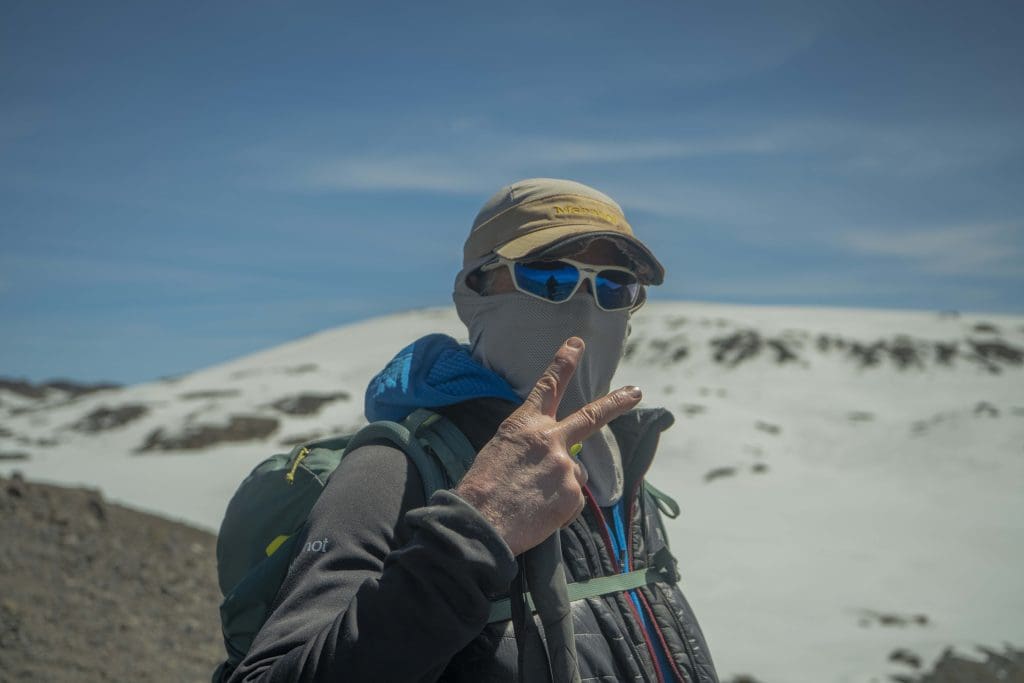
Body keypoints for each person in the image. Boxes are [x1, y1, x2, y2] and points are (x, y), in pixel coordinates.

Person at [227, 178, 718, 682]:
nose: (586, 306)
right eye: (547, 277)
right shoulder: (394, 470)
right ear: (472, 293)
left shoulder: (622, 473)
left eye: (615, 286)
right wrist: (474, 534)